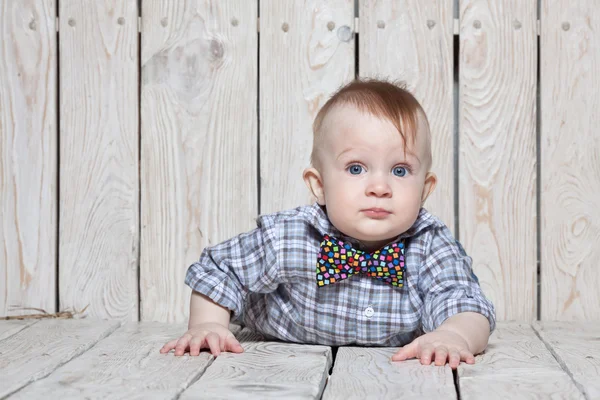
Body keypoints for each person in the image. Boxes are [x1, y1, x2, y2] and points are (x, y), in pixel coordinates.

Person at [160, 78, 496, 370]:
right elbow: (220, 269)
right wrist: (208, 325)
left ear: (425, 189)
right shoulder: (291, 236)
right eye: (355, 168)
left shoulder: (429, 244)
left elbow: (465, 302)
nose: (379, 187)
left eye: (399, 170)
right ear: (319, 185)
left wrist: (453, 334)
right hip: (282, 349)